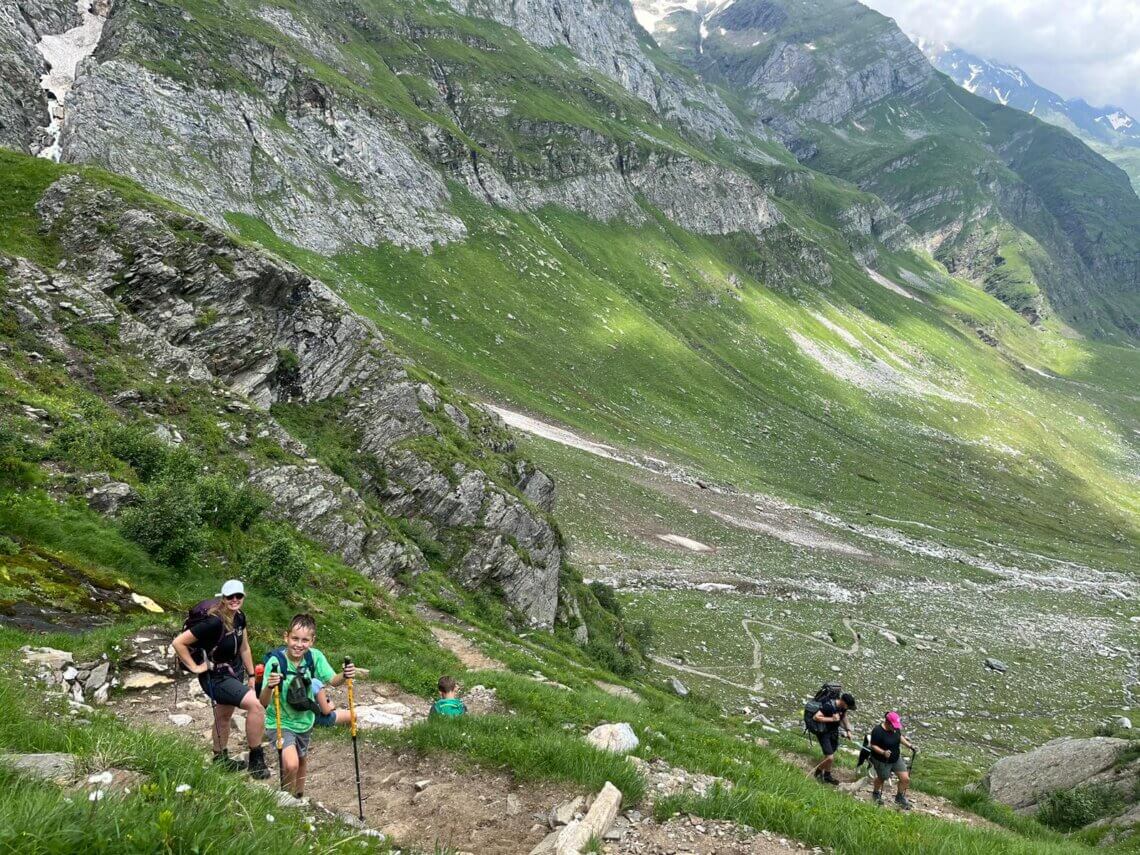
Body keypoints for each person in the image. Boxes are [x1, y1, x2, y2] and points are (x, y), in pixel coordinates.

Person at [171, 579, 269, 778]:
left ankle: (219, 759)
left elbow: (244, 647)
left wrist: (251, 675)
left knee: (223, 716)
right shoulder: (213, 622)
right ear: (222, 598)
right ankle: (256, 760)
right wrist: (195, 667)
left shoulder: (240, 617)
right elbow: (178, 642)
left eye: (238, 596)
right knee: (255, 706)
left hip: (234, 671)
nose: (234, 600)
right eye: (230, 596)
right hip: (215, 677)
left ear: (243, 597)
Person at [260, 613, 356, 800]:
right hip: (279, 721)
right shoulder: (275, 662)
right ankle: (285, 798)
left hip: (305, 720)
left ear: (312, 641)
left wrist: (344, 675)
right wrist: (270, 685)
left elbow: (333, 681)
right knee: (291, 764)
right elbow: (263, 701)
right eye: (295, 638)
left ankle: (298, 795)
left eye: (305, 640)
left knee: (301, 759)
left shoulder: (315, 657)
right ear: (286, 637)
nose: (299, 644)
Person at [868, 711, 917, 809]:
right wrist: (883, 752)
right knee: (883, 777)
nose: (895, 728)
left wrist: (910, 745)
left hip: (895, 758)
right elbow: (873, 746)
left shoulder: (896, 729)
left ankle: (899, 797)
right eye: (893, 726)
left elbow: (899, 737)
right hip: (882, 759)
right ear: (887, 722)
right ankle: (876, 793)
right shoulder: (878, 731)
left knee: (905, 779)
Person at [811, 691, 856, 784]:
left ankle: (827, 775)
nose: (847, 708)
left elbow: (844, 717)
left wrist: (848, 730)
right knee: (830, 757)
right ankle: (817, 773)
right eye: (847, 706)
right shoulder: (828, 706)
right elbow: (816, 717)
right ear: (843, 702)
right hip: (824, 733)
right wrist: (832, 719)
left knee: (830, 754)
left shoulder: (843, 708)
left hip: (834, 732)